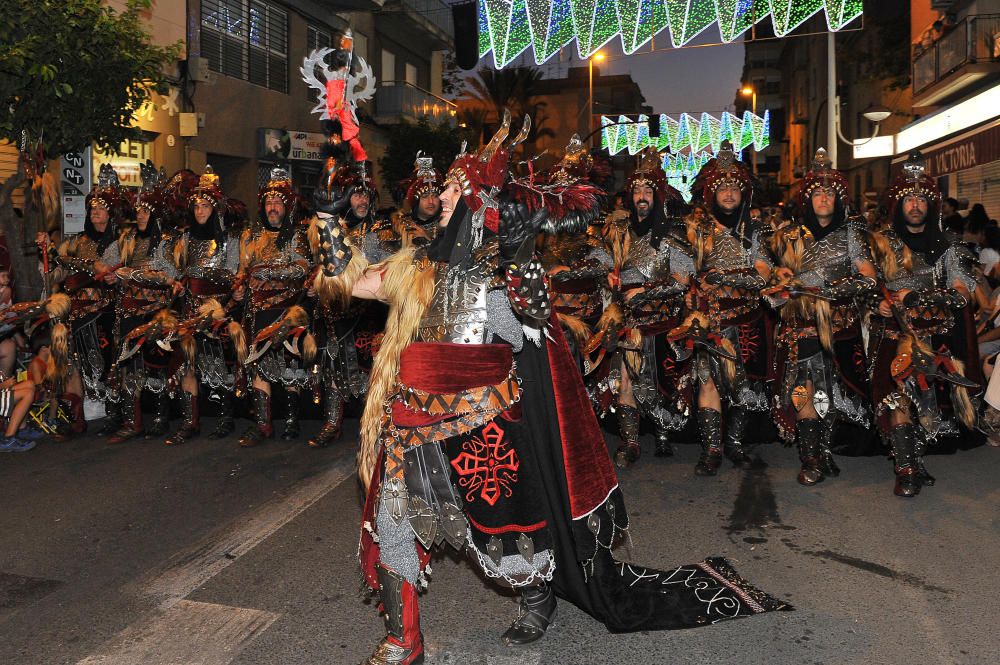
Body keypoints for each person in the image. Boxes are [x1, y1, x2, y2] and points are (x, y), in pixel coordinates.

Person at [310, 111, 789, 665]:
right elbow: (354, 280)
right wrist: (326, 218)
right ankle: (402, 639)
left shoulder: (501, 263)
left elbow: (533, 328)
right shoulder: (418, 264)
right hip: (412, 418)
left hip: (482, 417)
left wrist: (518, 261)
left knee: (502, 524)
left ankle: (537, 595)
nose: (439, 198)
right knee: (392, 518)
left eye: (449, 190)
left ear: (475, 202)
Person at [868, 152, 981, 497]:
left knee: (928, 411)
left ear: (931, 205)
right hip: (895, 335)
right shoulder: (880, 244)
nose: (914, 205)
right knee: (897, 398)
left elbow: (964, 293)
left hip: (938, 337)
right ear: (898, 205)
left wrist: (923, 298)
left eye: (921, 199)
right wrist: (879, 305)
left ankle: (915, 458)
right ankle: (906, 471)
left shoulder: (950, 245)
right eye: (908, 199)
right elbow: (866, 288)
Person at [766, 149, 877, 485]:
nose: (824, 198)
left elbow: (869, 276)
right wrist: (779, 281)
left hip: (840, 328)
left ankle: (823, 450)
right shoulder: (788, 235)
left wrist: (837, 289)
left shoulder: (852, 235)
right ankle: (810, 457)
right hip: (799, 327)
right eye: (817, 192)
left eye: (830, 192)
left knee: (830, 394)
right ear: (808, 199)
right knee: (803, 389)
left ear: (839, 198)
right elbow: (774, 278)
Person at [664, 142, 773, 476]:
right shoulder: (694, 230)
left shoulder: (754, 230)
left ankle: (735, 444)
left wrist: (727, 276)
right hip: (707, 321)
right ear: (710, 193)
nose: (728, 193)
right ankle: (711, 449)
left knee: (744, 386)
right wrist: (685, 285)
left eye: (734, 188)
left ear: (744, 193)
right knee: (708, 381)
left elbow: (763, 274)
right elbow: (682, 275)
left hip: (748, 320)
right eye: (721, 187)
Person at [590, 146, 687, 466]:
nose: (642, 196)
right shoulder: (617, 231)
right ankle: (630, 442)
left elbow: (683, 281)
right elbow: (602, 264)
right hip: (628, 319)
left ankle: (661, 434)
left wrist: (646, 290)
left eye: (649, 190)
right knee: (626, 380)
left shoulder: (674, 233)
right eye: (637, 191)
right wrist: (601, 269)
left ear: (658, 196)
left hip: (662, 320)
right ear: (630, 196)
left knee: (660, 381)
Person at [37, 164, 131, 438]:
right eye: (92, 208)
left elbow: (113, 270)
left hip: (108, 310)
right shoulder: (77, 241)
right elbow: (55, 273)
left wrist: (75, 262)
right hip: (76, 312)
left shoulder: (123, 242)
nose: (95, 212)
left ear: (111, 213)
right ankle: (78, 417)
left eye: (101, 208)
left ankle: (114, 413)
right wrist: (48, 252)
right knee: (73, 360)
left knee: (108, 361)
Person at [165, 167, 246, 446]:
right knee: (187, 363)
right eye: (196, 206)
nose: (200, 211)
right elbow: (177, 271)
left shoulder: (230, 240)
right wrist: (177, 283)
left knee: (216, 365)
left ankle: (225, 417)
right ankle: (190, 421)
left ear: (215, 209)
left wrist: (223, 295)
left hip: (217, 309)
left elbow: (234, 274)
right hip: (189, 308)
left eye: (205, 206)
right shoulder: (185, 240)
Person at [236, 168, 314, 447]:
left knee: (289, 365)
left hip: (288, 310)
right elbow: (243, 271)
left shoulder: (298, 235)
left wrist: (268, 271)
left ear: (287, 206)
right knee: (259, 367)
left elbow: (302, 268)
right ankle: (262, 424)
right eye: (269, 203)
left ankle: (292, 422)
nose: (272, 207)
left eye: (278, 202)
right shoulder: (250, 236)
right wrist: (239, 284)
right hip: (258, 311)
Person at [105, 161, 180, 444]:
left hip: (156, 314)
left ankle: (160, 419)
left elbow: (170, 276)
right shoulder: (126, 240)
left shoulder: (167, 242)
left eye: (145, 210)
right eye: (137, 210)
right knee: (128, 366)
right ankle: (131, 421)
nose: (140, 215)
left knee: (155, 365)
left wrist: (134, 273)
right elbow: (105, 266)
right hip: (128, 312)